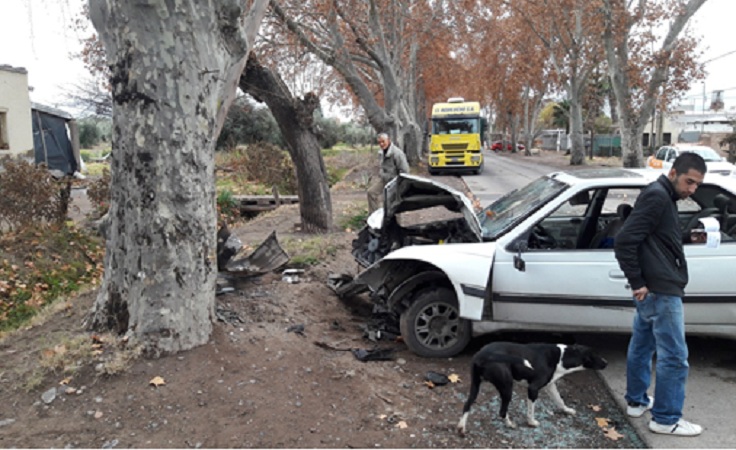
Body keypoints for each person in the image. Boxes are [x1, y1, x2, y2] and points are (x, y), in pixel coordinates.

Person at [614, 152, 707, 437]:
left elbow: (654, 237)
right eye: (689, 182)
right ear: (673, 172)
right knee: (675, 357)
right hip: (660, 290)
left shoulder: (663, 196)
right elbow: (625, 241)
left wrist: (686, 238)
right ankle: (666, 419)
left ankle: (636, 401)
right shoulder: (657, 196)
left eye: (697, 186)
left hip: (656, 287)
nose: (692, 190)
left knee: (643, 345)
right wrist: (637, 281)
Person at [366, 133, 409, 214]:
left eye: (383, 141)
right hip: (384, 180)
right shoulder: (382, 152)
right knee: (371, 193)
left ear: (388, 140)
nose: (381, 144)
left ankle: (394, 224)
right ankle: (374, 218)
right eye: (379, 142)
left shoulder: (397, 153)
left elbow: (405, 171)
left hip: (395, 182)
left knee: (393, 204)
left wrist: (399, 185)